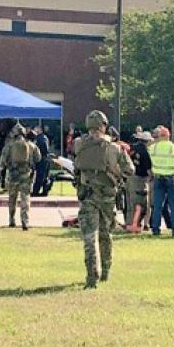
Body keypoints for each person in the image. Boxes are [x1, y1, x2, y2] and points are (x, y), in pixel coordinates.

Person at [73, 110, 133, 289]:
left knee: (89, 236)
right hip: (107, 196)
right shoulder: (115, 148)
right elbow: (130, 169)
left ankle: (92, 276)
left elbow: (76, 166)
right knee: (106, 234)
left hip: (87, 195)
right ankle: (106, 270)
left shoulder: (79, 145)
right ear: (104, 125)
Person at [0, 123, 40, 230]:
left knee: (12, 198)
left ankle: (11, 220)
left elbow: (2, 160)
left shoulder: (9, 146)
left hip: (12, 175)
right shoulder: (31, 145)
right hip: (26, 175)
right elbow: (38, 158)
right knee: (25, 198)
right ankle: (25, 221)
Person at [148, 125, 174, 237]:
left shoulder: (153, 147)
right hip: (172, 178)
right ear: (168, 136)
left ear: (159, 136)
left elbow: (149, 161)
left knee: (157, 206)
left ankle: (156, 229)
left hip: (158, 178)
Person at [125, 131, 153, 233]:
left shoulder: (131, 148)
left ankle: (128, 224)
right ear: (147, 141)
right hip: (140, 180)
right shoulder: (145, 152)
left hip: (129, 178)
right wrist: (152, 177)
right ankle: (135, 226)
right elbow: (148, 170)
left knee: (129, 203)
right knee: (139, 203)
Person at [31, 126, 51, 197]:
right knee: (44, 176)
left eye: (35, 129)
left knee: (40, 176)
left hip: (42, 159)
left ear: (39, 130)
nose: (33, 131)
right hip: (44, 159)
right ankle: (44, 191)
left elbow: (44, 148)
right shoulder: (43, 137)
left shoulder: (40, 138)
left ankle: (36, 192)